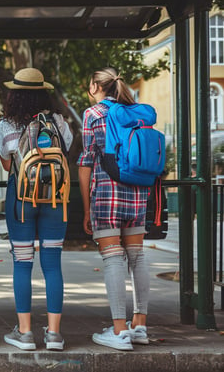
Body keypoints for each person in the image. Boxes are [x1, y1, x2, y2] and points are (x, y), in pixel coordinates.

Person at [0, 68, 73, 351]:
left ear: (13, 95)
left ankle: (25, 333)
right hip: (55, 200)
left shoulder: (4, 127)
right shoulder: (59, 123)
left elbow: (5, 165)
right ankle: (54, 334)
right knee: (52, 265)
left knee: (22, 263)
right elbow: (66, 153)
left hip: (21, 201)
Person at [79, 67, 151, 351]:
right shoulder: (138, 113)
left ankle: (120, 331)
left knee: (112, 260)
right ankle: (140, 326)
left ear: (97, 86)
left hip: (107, 195)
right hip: (138, 193)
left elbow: (86, 162)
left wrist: (86, 209)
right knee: (137, 258)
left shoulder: (93, 114)